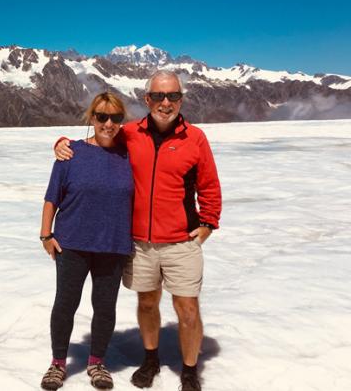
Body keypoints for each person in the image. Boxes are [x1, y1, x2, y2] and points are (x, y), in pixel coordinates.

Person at [55, 70, 222, 391]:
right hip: (140, 242)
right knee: (147, 303)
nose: (165, 102)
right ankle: (150, 360)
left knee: (187, 308)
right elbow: (97, 138)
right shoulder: (130, 133)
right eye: (158, 96)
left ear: (181, 99)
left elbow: (209, 185)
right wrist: (62, 143)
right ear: (147, 99)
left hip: (181, 240)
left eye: (172, 96)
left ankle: (189, 370)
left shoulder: (195, 138)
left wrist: (208, 224)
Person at [40, 92, 134, 390]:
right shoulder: (71, 154)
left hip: (113, 243)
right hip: (72, 243)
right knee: (65, 304)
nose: (108, 123)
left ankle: (96, 362)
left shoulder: (130, 154)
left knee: (105, 307)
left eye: (116, 118)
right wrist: (46, 233)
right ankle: (57, 364)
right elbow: (52, 197)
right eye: (102, 117)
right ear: (91, 118)